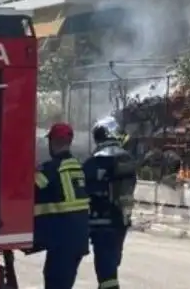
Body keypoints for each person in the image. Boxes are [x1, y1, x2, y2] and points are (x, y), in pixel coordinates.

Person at [34, 122, 91, 289]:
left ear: (53, 142)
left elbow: (27, 191)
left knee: (54, 282)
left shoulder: (51, 169)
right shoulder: (78, 167)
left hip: (62, 242)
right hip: (78, 239)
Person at [84, 118, 139, 289]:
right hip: (120, 220)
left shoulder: (93, 161)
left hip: (99, 222)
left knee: (106, 272)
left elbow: (85, 190)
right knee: (111, 265)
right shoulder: (126, 159)